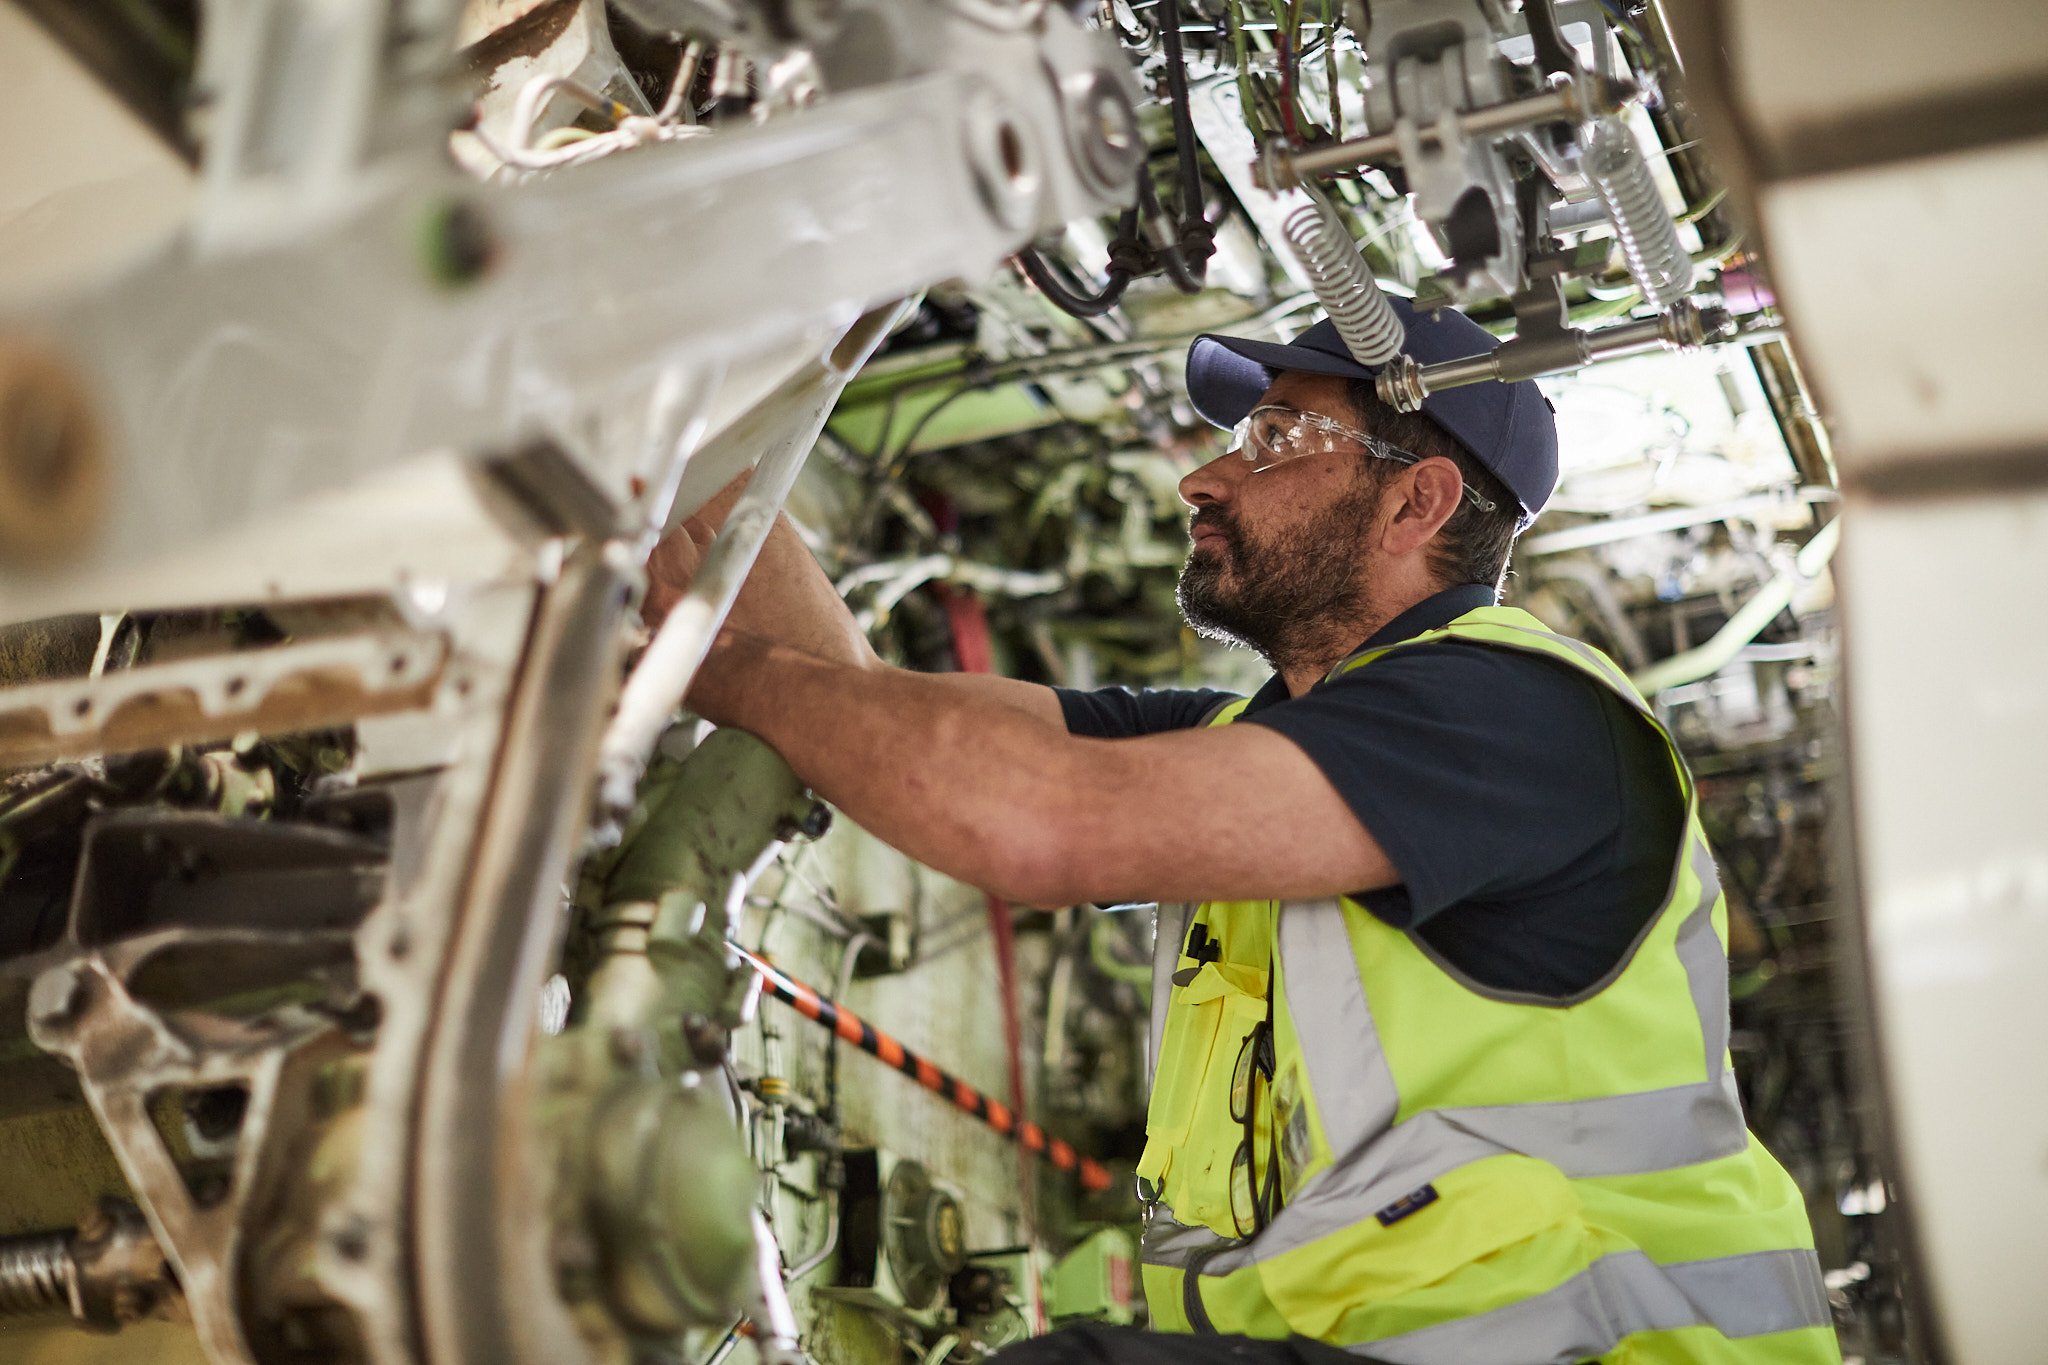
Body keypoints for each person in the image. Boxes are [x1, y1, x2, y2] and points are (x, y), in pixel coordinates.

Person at [647, 297, 1838, 1365]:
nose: (1204, 479)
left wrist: (718, 667)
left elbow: (1041, 821)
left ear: (1415, 502)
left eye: (1273, 438)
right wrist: (664, 447)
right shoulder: (1257, 738)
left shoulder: (1514, 717)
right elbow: (863, 701)